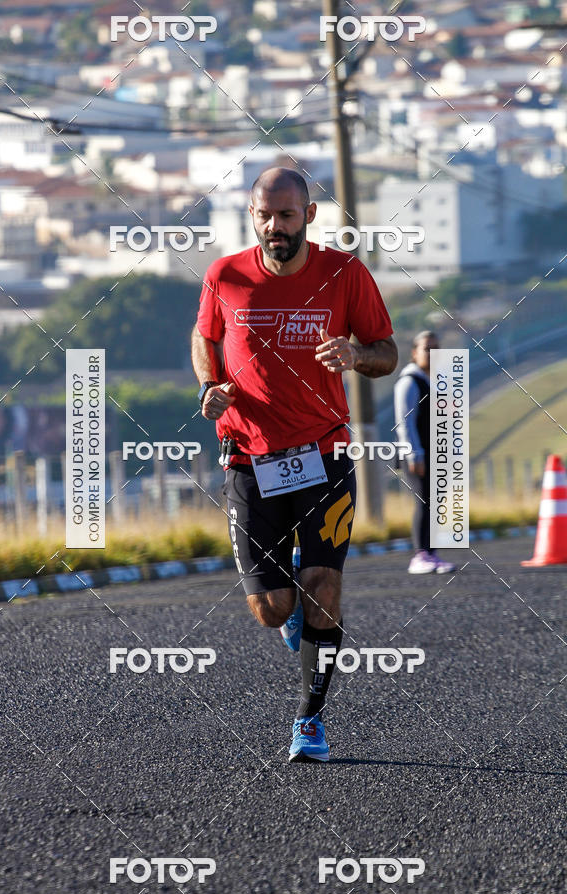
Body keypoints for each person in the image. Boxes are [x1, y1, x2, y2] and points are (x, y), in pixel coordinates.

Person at [191, 167, 397, 762]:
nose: (274, 227)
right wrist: (209, 385)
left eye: (286, 215)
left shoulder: (344, 273)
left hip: (324, 453)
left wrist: (356, 354)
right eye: (264, 215)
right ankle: (291, 613)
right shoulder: (224, 275)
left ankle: (310, 720)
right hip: (249, 457)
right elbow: (205, 337)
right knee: (272, 607)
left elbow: (386, 351)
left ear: (308, 215)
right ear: (251, 215)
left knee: (323, 586)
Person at [394, 330, 456, 575]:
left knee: (434, 502)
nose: (433, 353)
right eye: (427, 348)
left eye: (437, 348)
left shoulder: (433, 380)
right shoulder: (409, 382)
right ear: (414, 353)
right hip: (417, 454)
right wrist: (414, 454)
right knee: (425, 502)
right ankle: (421, 556)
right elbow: (404, 423)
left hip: (433, 453)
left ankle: (430, 554)